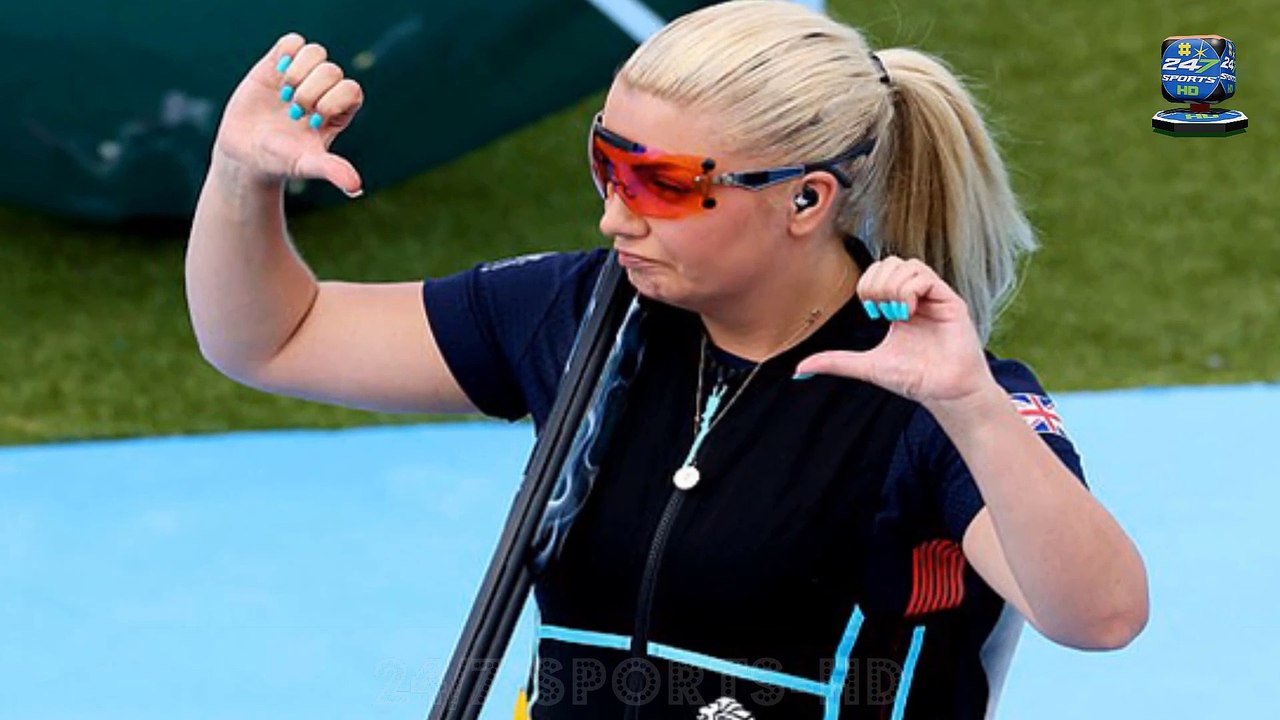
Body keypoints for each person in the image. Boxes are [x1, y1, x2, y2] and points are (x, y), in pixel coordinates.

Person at [185, 1, 1149, 717]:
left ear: (806, 201)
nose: (614, 213)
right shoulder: (575, 309)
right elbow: (275, 336)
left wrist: (973, 409)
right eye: (607, 162)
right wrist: (239, 177)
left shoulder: (927, 386)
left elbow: (1099, 616)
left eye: (662, 183)